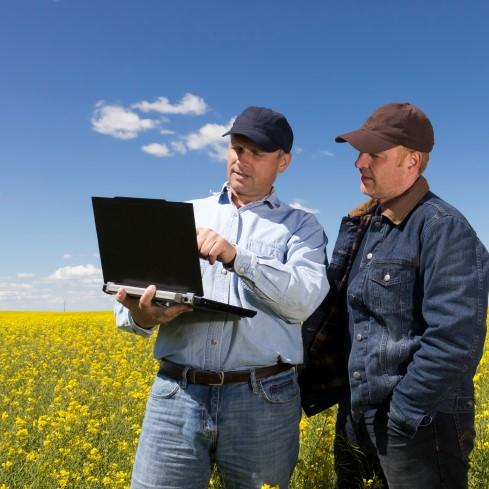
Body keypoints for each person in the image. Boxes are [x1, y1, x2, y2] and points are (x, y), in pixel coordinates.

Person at [115, 106, 329, 489]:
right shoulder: (183, 215)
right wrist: (146, 315)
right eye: (236, 147)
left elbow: (303, 301)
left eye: (256, 152)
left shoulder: (301, 227)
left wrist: (238, 257)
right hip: (176, 393)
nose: (241, 159)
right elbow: (128, 315)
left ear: (284, 162)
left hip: (262, 399)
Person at [300, 102, 489, 489]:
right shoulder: (366, 228)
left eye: (373, 154)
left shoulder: (443, 228)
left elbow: (455, 340)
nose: (359, 163)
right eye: (358, 153)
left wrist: (400, 415)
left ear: (412, 161)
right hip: (360, 419)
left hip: (419, 425)